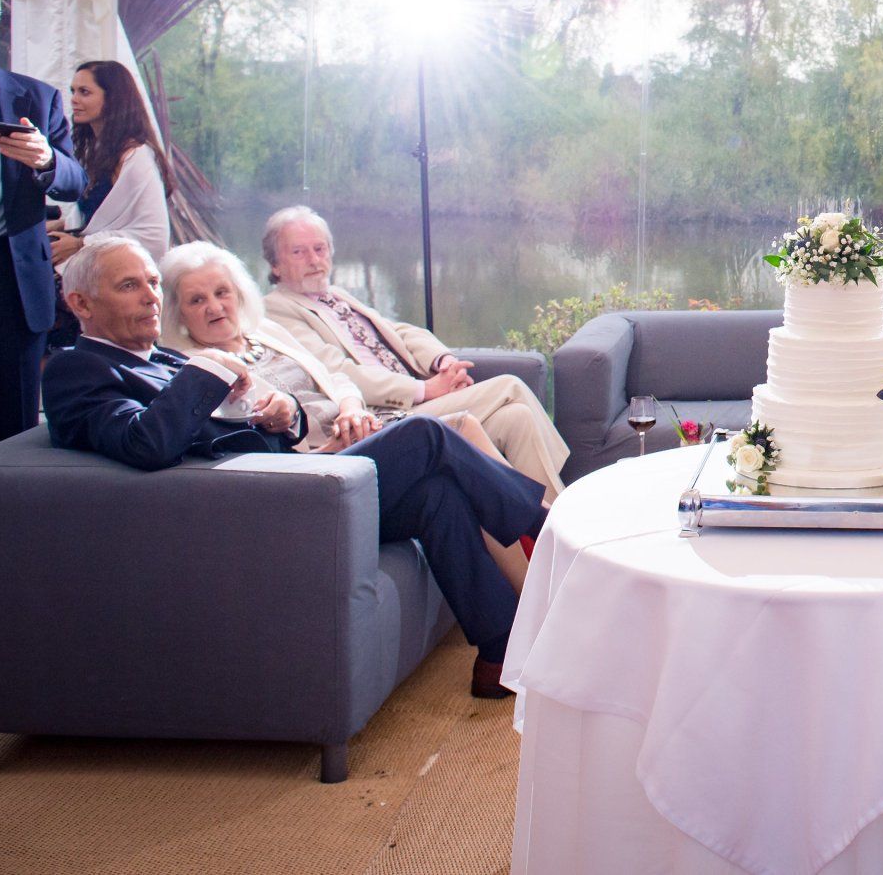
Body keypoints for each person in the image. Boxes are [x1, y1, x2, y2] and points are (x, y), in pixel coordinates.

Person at [43, 234, 546, 698]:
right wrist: (212, 369)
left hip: (291, 485)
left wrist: (285, 414)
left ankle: (500, 655)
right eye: (130, 286)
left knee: (439, 495)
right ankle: (547, 527)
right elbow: (145, 442)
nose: (151, 296)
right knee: (428, 433)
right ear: (80, 303)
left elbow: (237, 424)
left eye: (152, 283)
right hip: (258, 512)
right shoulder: (78, 370)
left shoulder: (162, 362)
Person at [159, 240, 531, 593]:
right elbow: (255, 451)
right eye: (197, 300)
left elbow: (335, 378)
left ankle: (520, 615)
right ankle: (540, 521)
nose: (215, 307)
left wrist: (353, 409)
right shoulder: (198, 372)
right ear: (178, 313)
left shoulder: (264, 332)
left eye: (221, 293)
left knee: (445, 487)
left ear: (238, 293)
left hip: (359, 427)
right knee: (446, 428)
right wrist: (326, 449)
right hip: (318, 463)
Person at [260, 205, 569, 501]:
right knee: (509, 386)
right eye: (299, 252)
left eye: (320, 249)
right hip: (387, 418)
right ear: (275, 264)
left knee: (517, 417)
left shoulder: (335, 295)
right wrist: (425, 389)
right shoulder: (277, 309)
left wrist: (443, 362)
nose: (314, 260)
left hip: (420, 399)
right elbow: (336, 371)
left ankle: (550, 524)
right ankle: (571, 495)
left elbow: (401, 332)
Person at [0, 0, 86, 445]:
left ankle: (5, 516)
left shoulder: (35, 97)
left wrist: (46, 161)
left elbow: (76, 183)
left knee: (13, 424)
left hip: (7, 269)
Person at [45, 59, 175, 347]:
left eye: (85, 92)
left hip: (113, 274)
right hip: (89, 261)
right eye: (73, 91)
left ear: (112, 98)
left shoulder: (137, 156)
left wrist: (81, 244)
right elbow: (95, 214)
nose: (74, 100)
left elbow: (153, 235)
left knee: (38, 301)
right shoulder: (94, 150)